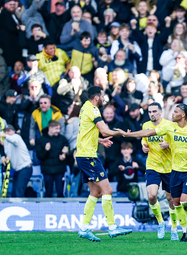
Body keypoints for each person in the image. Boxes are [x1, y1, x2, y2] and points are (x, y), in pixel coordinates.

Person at [124, 103, 187, 242]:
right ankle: (177, 228)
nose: (172, 114)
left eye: (175, 112)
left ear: (183, 115)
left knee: (184, 201)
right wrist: (129, 134)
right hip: (174, 171)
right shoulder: (169, 127)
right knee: (175, 202)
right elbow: (148, 133)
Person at [75, 85, 131, 241]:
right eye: (103, 96)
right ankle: (112, 227)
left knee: (95, 192)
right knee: (108, 190)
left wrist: (99, 140)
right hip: (88, 157)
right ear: (96, 98)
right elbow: (105, 130)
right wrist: (119, 132)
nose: (105, 98)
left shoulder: (85, 107)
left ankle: (84, 228)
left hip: (83, 155)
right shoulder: (93, 110)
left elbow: (86, 132)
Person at [141, 102, 178, 240]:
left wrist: (169, 145)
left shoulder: (169, 125)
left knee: (171, 199)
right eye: (149, 112)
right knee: (151, 196)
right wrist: (144, 146)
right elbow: (144, 140)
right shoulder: (146, 126)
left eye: (154, 111)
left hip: (169, 167)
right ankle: (161, 222)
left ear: (160, 112)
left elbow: (178, 143)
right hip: (152, 165)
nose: (152, 114)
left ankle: (174, 228)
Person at [36, 120, 69, 197]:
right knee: (48, 192)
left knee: (60, 192)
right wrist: (46, 150)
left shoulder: (62, 139)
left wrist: (64, 155)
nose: (58, 131)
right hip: (47, 170)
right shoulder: (41, 139)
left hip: (60, 169)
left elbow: (66, 149)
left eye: (59, 128)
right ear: (50, 128)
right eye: (56, 128)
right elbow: (39, 156)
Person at [0, 125, 32, 197]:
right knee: (14, 194)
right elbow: (3, 143)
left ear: (14, 132)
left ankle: (21, 207)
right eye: (5, 131)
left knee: (18, 192)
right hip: (17, 170)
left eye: (9, 131)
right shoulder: (6, 142)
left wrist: (3, 135)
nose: (6, 132)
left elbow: (13, 140)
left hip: (25, 168)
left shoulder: (17, 137)